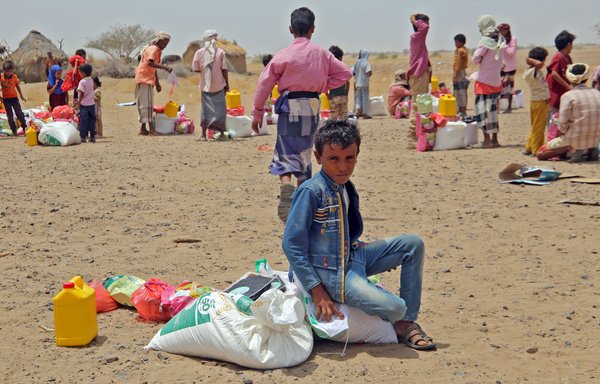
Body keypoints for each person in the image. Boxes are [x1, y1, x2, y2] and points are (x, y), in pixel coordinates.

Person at [282, 119, 436, 351]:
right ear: (318, 157)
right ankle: (402, 319)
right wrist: (317, 289)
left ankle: (405, 323)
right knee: (396, 308)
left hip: (352, 255)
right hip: (333, 274)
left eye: (349, 158)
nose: (342, 167)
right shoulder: (310, 192)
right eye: (333, 159)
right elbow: (292, 243)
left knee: (412, 245)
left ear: (357, 155)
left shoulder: (344, 185)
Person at [250, 7, 352, 223]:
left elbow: (264, 84)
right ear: (312, 29)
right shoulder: (322, 53)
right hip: (312, 105)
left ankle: (286, 186)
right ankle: (299, 198)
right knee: (305, 151)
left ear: (291, 29)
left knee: (285, 149)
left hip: (290, 106)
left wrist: (258, 113)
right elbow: (345, 73)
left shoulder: (283, 55)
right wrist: (324, 84)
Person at [472, 15, 505, 148]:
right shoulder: (500, 38)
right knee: (493, 111)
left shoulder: (485, 41)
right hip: (496, 81)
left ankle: (487, 140)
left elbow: (475, 59)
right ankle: (495, 139)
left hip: (484, 81)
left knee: (483, 112)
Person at [558, 63, 600, 162]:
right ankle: (592, 149)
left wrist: (562, 132)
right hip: (596, 137)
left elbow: (562, 123)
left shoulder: (568, 96)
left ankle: (576, 152)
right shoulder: (598, 94)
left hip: (575, 138)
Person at [192, 30, 230, 140]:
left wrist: (207, 72)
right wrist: (227, 84)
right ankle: (222, 134)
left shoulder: (199, 53)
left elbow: (196, 69)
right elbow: (224, 70)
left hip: (206, 87)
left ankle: (204, 135)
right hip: (219, 85)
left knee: (206, 110)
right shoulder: (221, 52)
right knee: (220, 110)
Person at [134, 32, 173, 136]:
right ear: (160, 41)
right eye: (165, 43)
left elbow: (153, 67)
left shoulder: (156, 50)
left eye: (167, 44)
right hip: (144, 79)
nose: (165, 46)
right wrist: (165, 67)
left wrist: (157, 83)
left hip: (146, 79)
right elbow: (150, 63)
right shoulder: (154, 49)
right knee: (147, 105)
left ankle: (143, 129)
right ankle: (151, 130)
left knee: (145, 104)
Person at [407, 13, 431, 149]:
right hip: (418, 76)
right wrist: (413, 19)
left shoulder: (420, 40)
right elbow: (424, 28)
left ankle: (418, 135)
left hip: (420, 75)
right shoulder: (416, 37)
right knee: (417, 105)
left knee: (420, 105)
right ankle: (412, 137)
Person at [523, 47, 550, 156]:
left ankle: (529, 147)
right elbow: (538, 64)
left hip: (536, 101)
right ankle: (536, 150)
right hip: (540, 101)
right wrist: (532, 61)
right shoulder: (531, 72)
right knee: (539, 126)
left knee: (535, 125)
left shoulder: (532, 71)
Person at [546, 31, 575, 118]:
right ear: (569, 44)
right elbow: (553, 73)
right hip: (555, 96)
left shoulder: (567, 57)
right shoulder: (558, 56)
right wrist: (568, 86)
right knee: (554, 123)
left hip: (563, 95)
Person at [0, 60, 27, 135]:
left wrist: (21, 96)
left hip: (14, 98)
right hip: (6, 99)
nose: (8, 73)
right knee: (10, 116)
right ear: (4, 71)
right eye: (7, 71)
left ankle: (24, 127)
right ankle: (14, 130)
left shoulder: (14, 77)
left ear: (12, 71)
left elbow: (17, 86)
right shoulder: (1, 77)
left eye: (10, 71)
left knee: (19, 113)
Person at [497, 24, 517, 113]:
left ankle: (509, 108)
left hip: (510, 67)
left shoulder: (513, 39)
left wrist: (504, 44)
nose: (500, 32)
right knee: (498, 86)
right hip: (500, 66)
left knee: (509, 88)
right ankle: (497, 107)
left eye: (502, 30)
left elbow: (511, 53)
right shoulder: (498, 39)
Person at [74, 63, 96, 143]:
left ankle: (83, 137)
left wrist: (78, 104)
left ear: (83, 73)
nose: (79, 74)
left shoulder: (82, 82)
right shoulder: (91, 80)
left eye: (79, 72)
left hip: (84, 106)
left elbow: (81, 93)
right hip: (92, 105)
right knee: (92, 122)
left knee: (83, 122)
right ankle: (92, 137)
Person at [328, 46, 349, 120]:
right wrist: (346, 94)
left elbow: (325, 81)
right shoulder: (343, 67)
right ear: (340, 57)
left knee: (334, 119)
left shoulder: (329, 68)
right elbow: (347, 82)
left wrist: (326, 94)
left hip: (332, 97)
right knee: (344, 118)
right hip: (342, 96)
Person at [452, 34, 469, 116]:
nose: (455, 43)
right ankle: (462, 110)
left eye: (456, 41)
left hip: (459, 73)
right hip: (462, 73)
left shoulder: (460, 51)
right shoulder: (463, 49)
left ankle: (462, 111)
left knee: (459, 92)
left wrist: (455, 76)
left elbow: (458, 65)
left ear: (461, 42)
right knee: (462, 92)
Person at [352, 49, 372, 119]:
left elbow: (353, 72)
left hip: (357, 83)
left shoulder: (356, 63)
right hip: (365, 83)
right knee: (365, 98)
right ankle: (365, 113)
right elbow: (368, 72)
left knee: (358, 98)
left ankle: (357, 111)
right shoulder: (366, 63)